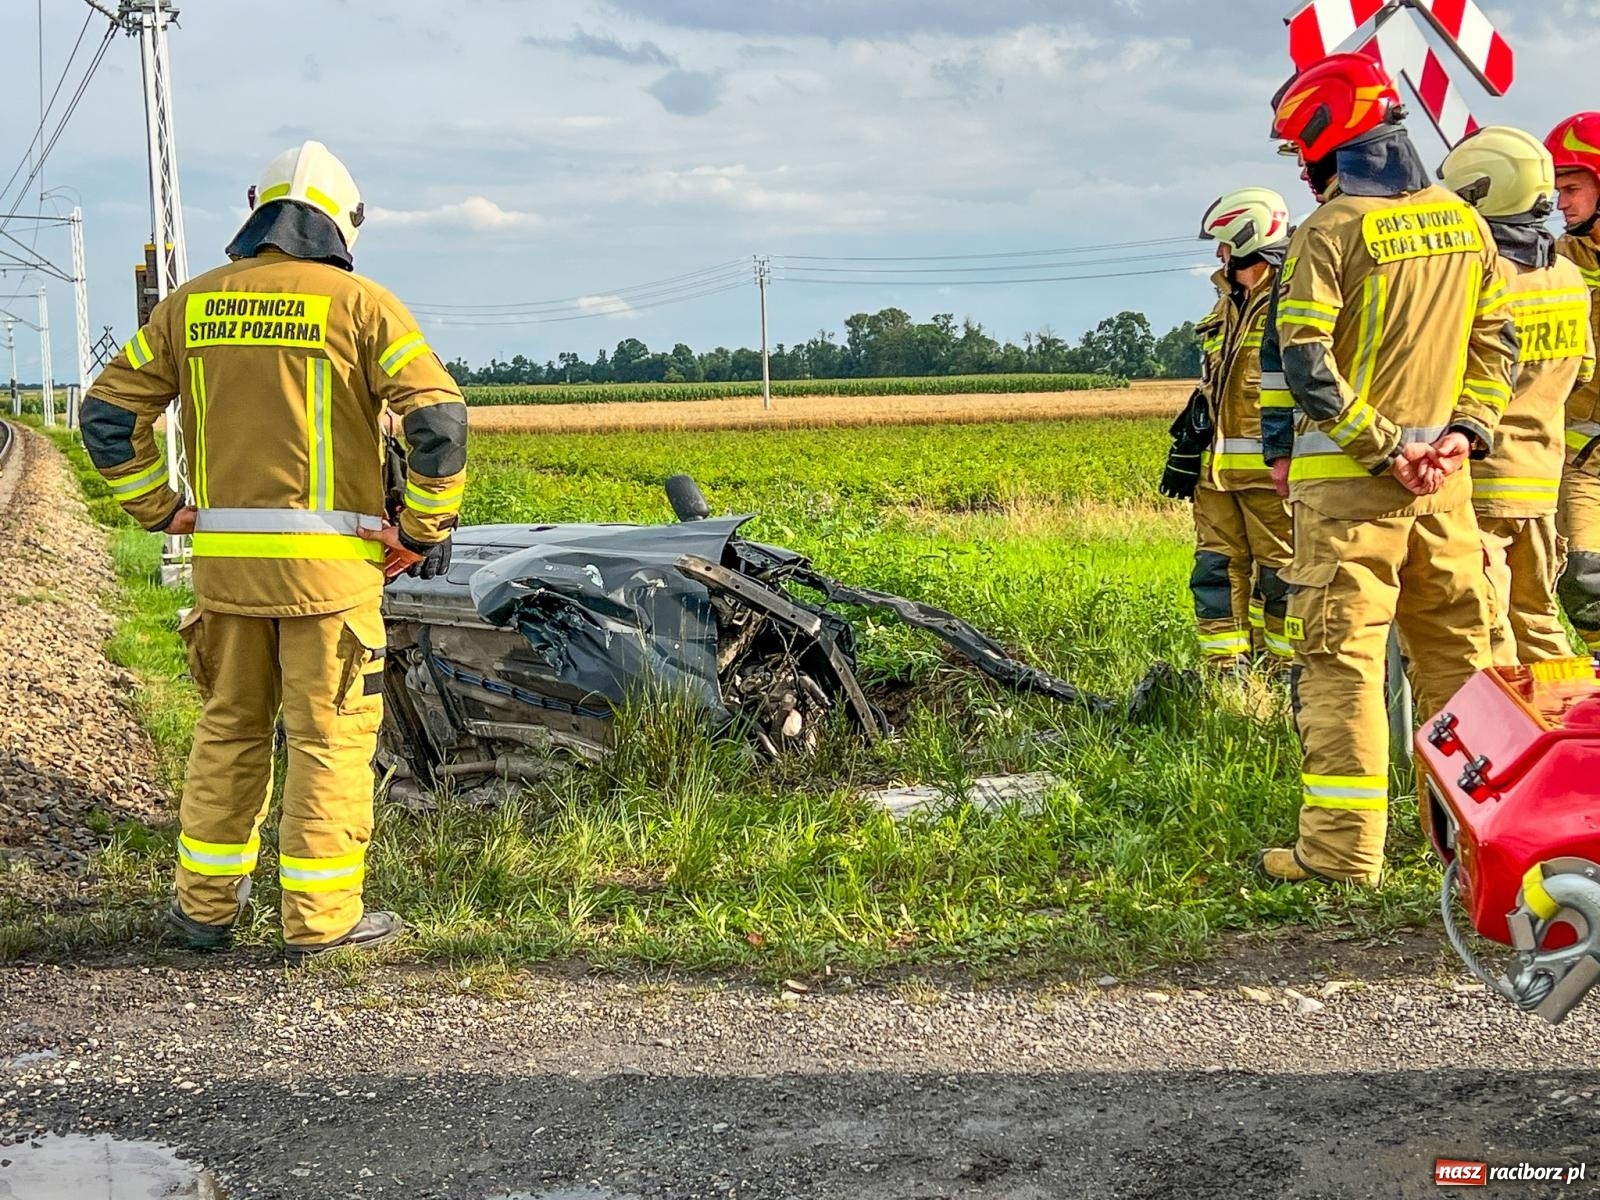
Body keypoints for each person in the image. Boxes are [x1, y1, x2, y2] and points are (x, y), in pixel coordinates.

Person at [78, 141, 468, 961]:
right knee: (326, 742)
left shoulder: (190, 307)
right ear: (340, 221)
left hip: (226, 580)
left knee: (229, 731)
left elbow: (108, 417)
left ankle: (204, 911)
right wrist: (422, 529)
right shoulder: (362, 308)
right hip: (331, 582)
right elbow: (438, 423)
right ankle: (321, 924)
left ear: (259, 209)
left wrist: (160, 507)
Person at [1255, 54, 1516, 886]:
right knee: (1464, 671)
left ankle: (1340, 854)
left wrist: (1384, 446)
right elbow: (1495, 345)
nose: (1304, 169)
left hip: (1353, 498)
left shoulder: (1329, 233)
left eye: (1304, 151)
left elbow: (1305, 363)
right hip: (1450, 495)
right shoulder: (1467, 225)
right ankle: (1475, 848)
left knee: (1344, 667)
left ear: (1333, 142)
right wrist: (1462, 435)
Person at [1442, 127, 1594, 665]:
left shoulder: (1477, 279)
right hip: (1540, 484)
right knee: (1538, 619)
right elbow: (1583, 370)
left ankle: (1505, 740)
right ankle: (1572, 733)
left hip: (1478, 482)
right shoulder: (1570, 275)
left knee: (1486, 625)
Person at [1165, 188, 1296, 671]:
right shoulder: (1227, 303)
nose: (1219, 253)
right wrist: (1189, 437)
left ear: (1249, 238)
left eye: (1223, 243)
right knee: (1215, 574)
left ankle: (1282, 676)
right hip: (1216, 476)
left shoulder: (1292, 302)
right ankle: (1226, 676)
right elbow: (1216, 384)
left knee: (1282, 578)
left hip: (1271, 476)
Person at [1547, 114, 1600, 653]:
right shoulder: (1557, 260)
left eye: (1572, 187)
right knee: (1586, 579)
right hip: (1583, 458)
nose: (1562, 203)